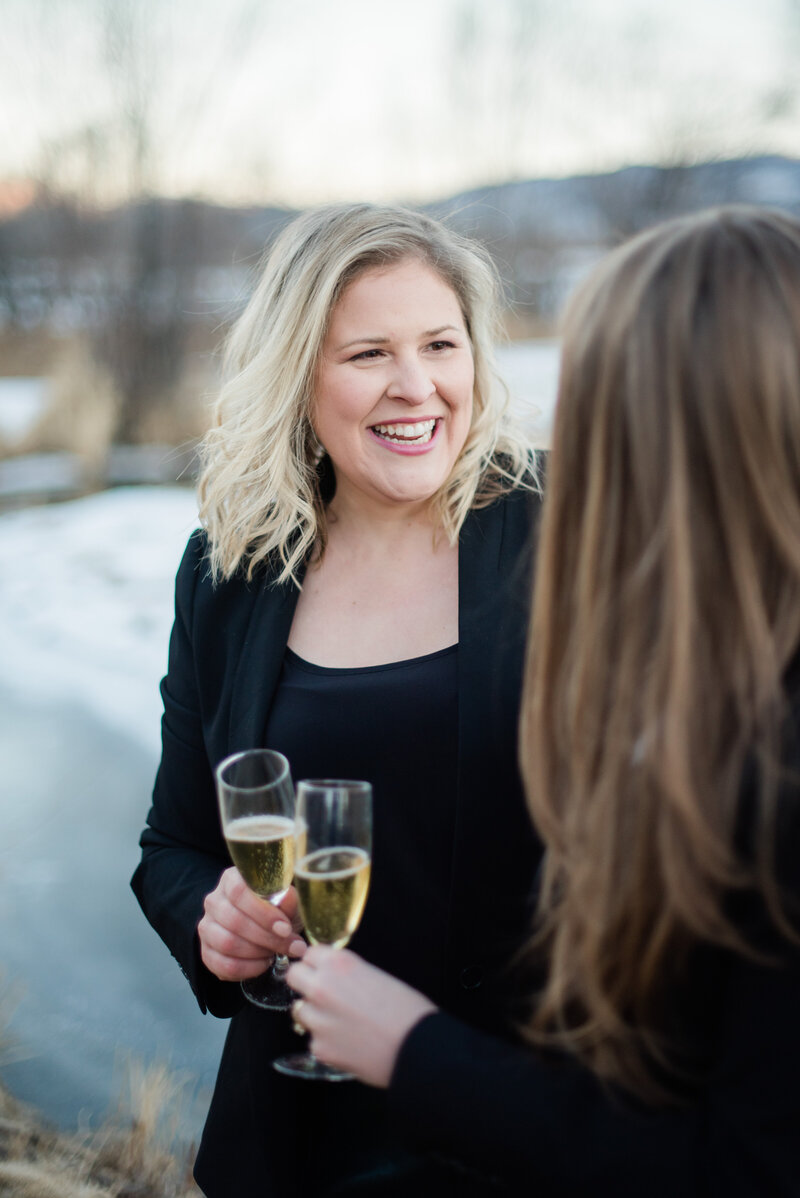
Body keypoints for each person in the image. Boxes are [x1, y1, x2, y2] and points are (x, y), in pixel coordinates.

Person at [286, 205, 800, 1196]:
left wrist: (422, 1054)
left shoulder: (771, 768)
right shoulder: (725, 672)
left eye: (596, 407)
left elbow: (744, 1163)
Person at [131, 203, 542, 1197]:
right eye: (368, 353)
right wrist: (212, 922)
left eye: (439, 343)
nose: (417, 386)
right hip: (295, 1127)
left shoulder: (563, 536)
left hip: (524, 1113)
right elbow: (172, 848)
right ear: (299, 376)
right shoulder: (231, 571)